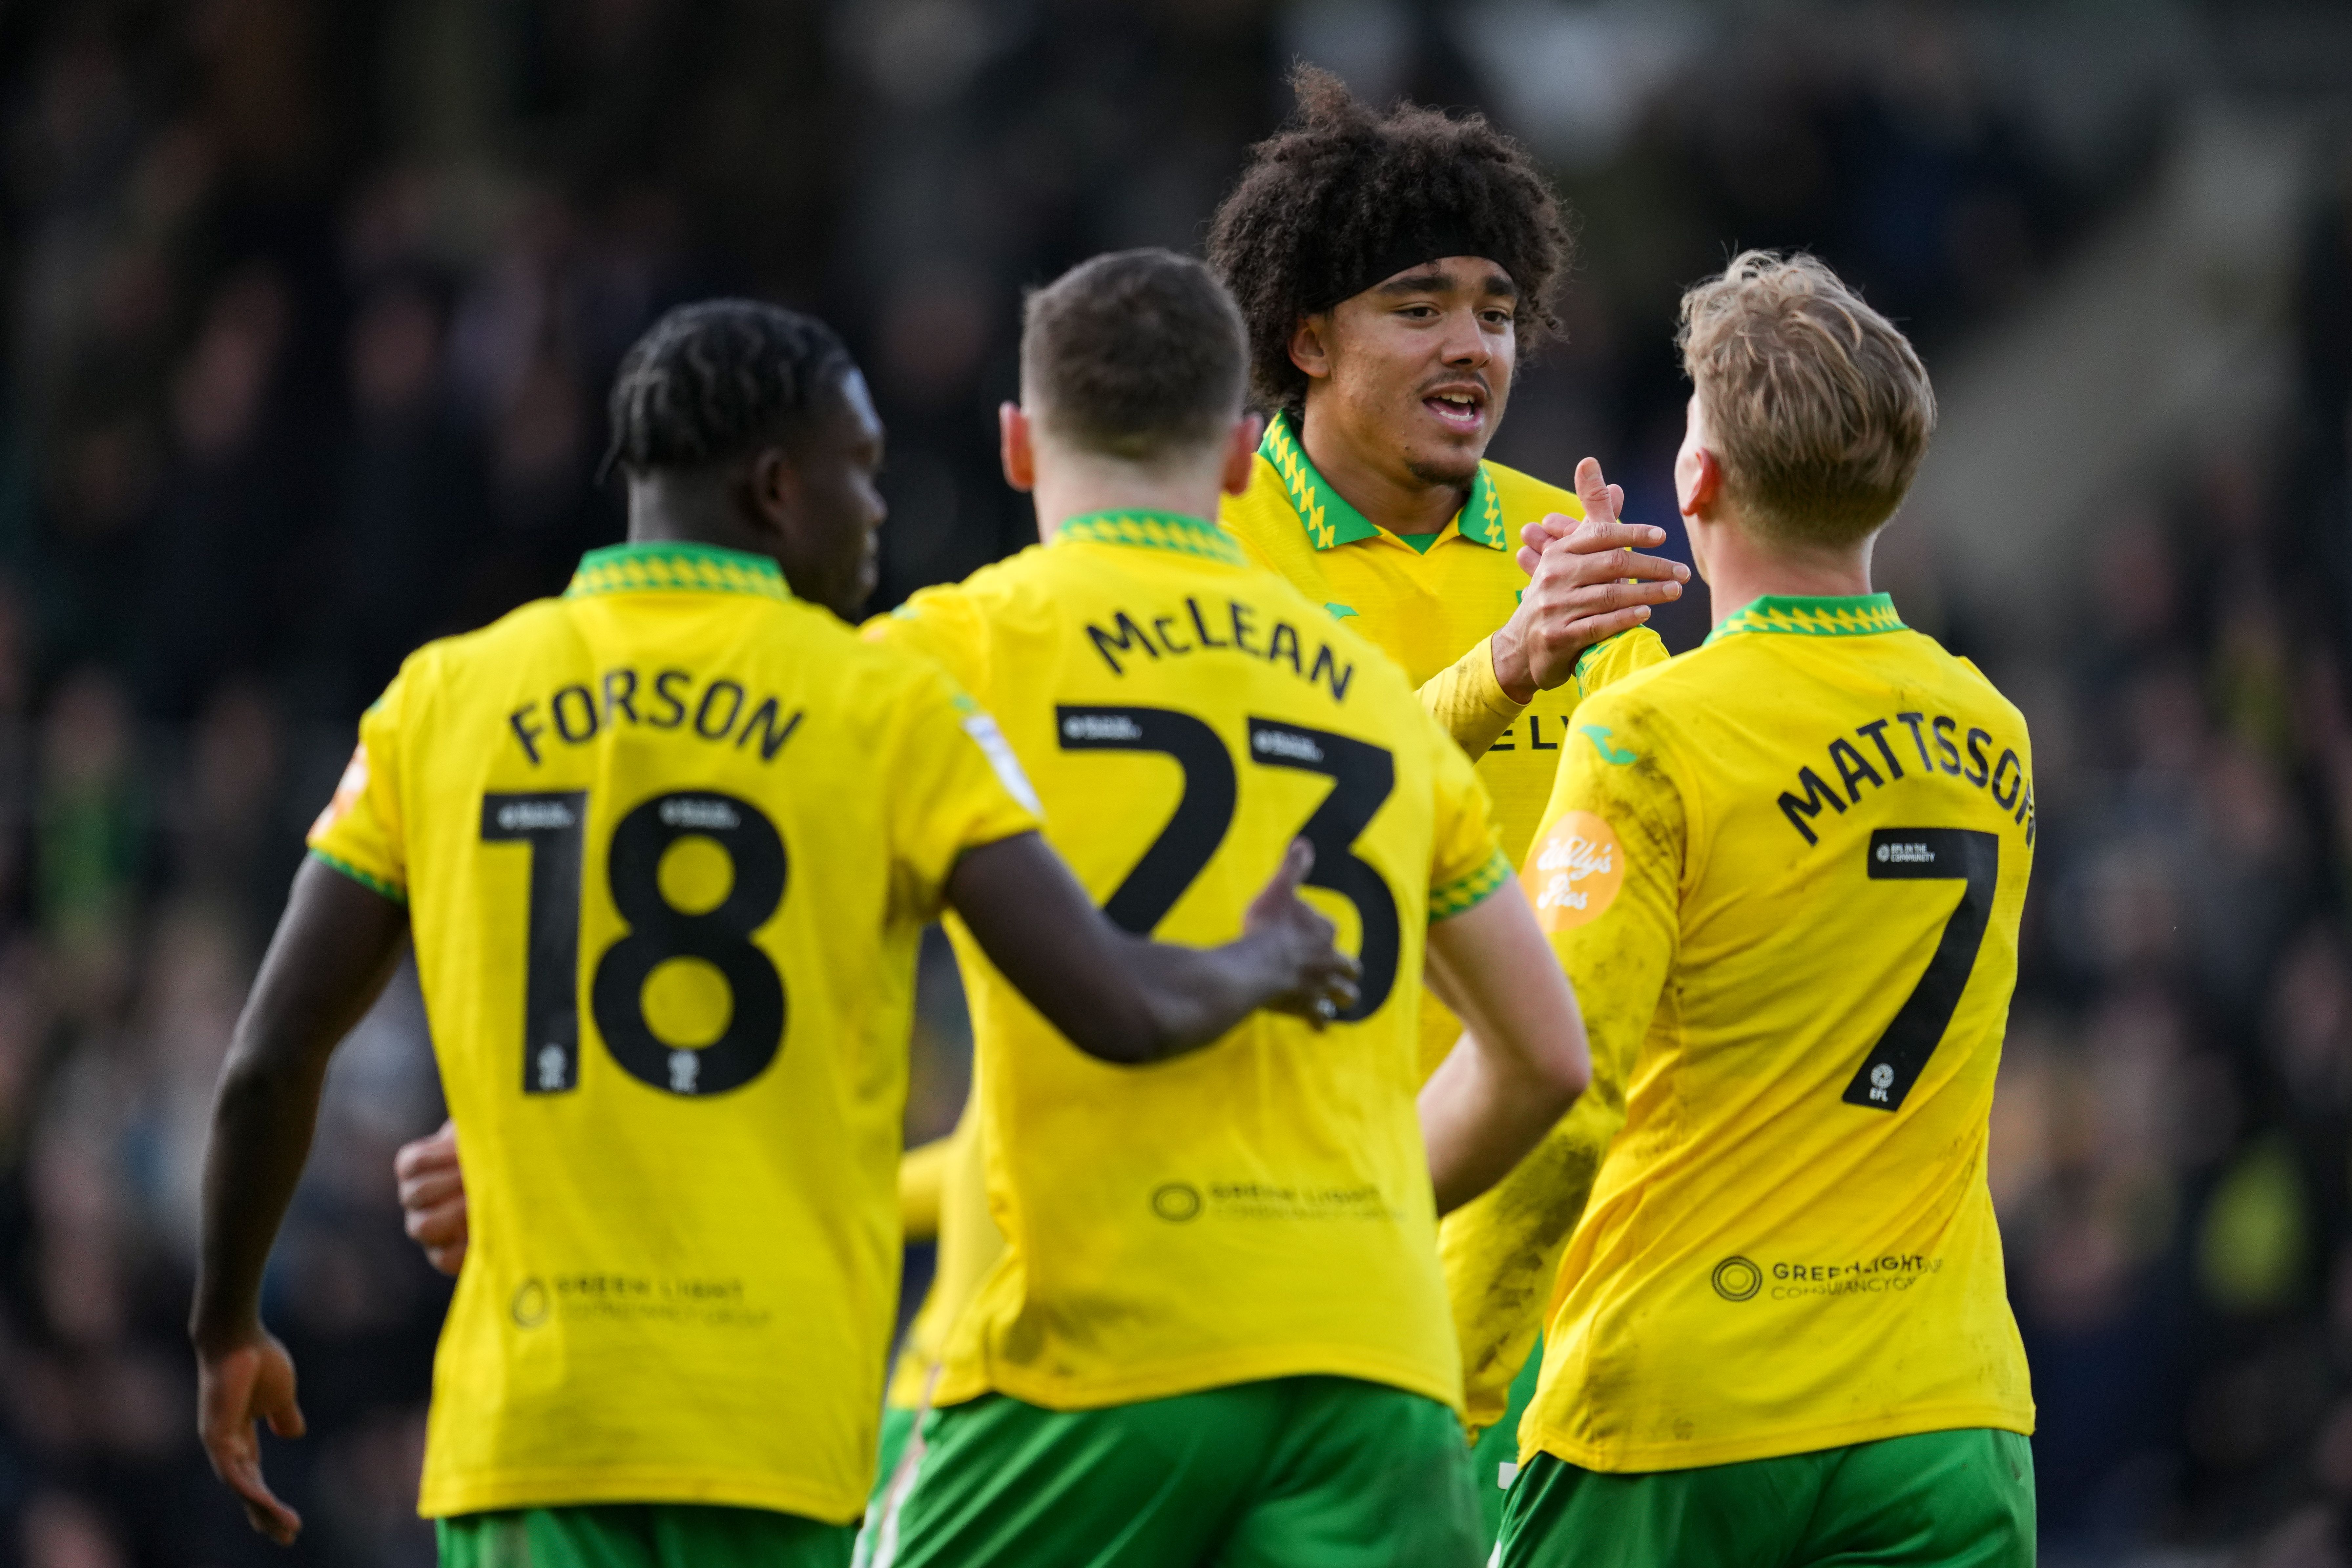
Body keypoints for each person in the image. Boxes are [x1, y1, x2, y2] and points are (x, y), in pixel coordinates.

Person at [189, 299, 1358, 1565]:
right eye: (862, 470)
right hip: (770, 1436)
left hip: (533, 1434)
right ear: (775, 486)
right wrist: (1265, 958)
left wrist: (227, 1326)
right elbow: (1116, 1007)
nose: (879, 508)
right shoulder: (885, 708)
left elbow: (270, 1058)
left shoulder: (442, 699)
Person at [869, 248, 1588, 1568]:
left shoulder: (942, 653)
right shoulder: (1372, 701)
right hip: (1373, 1365)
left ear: (1018, 446)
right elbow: (1545, 1056)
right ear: (1243, 458)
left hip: (1096, 1352)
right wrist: (1368, 1203)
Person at [1481, 252, 2036, 1566]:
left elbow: (1556, 1081)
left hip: (1682, 1411)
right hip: (1943, 1412)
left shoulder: (1646, 738)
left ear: (1695, 478)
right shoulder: (1993, 729)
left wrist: (1448, 1349)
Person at [1203, 64, 1688, 1521]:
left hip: (1548, 1270)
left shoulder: (1568, 550)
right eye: (1417, 308)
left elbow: (1665, 859)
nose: (1470, 343)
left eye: (1494, 309)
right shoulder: (1209, 550)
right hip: (1283, 1244)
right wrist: (1504, 668)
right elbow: (1260, 833)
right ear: (1305, 337)